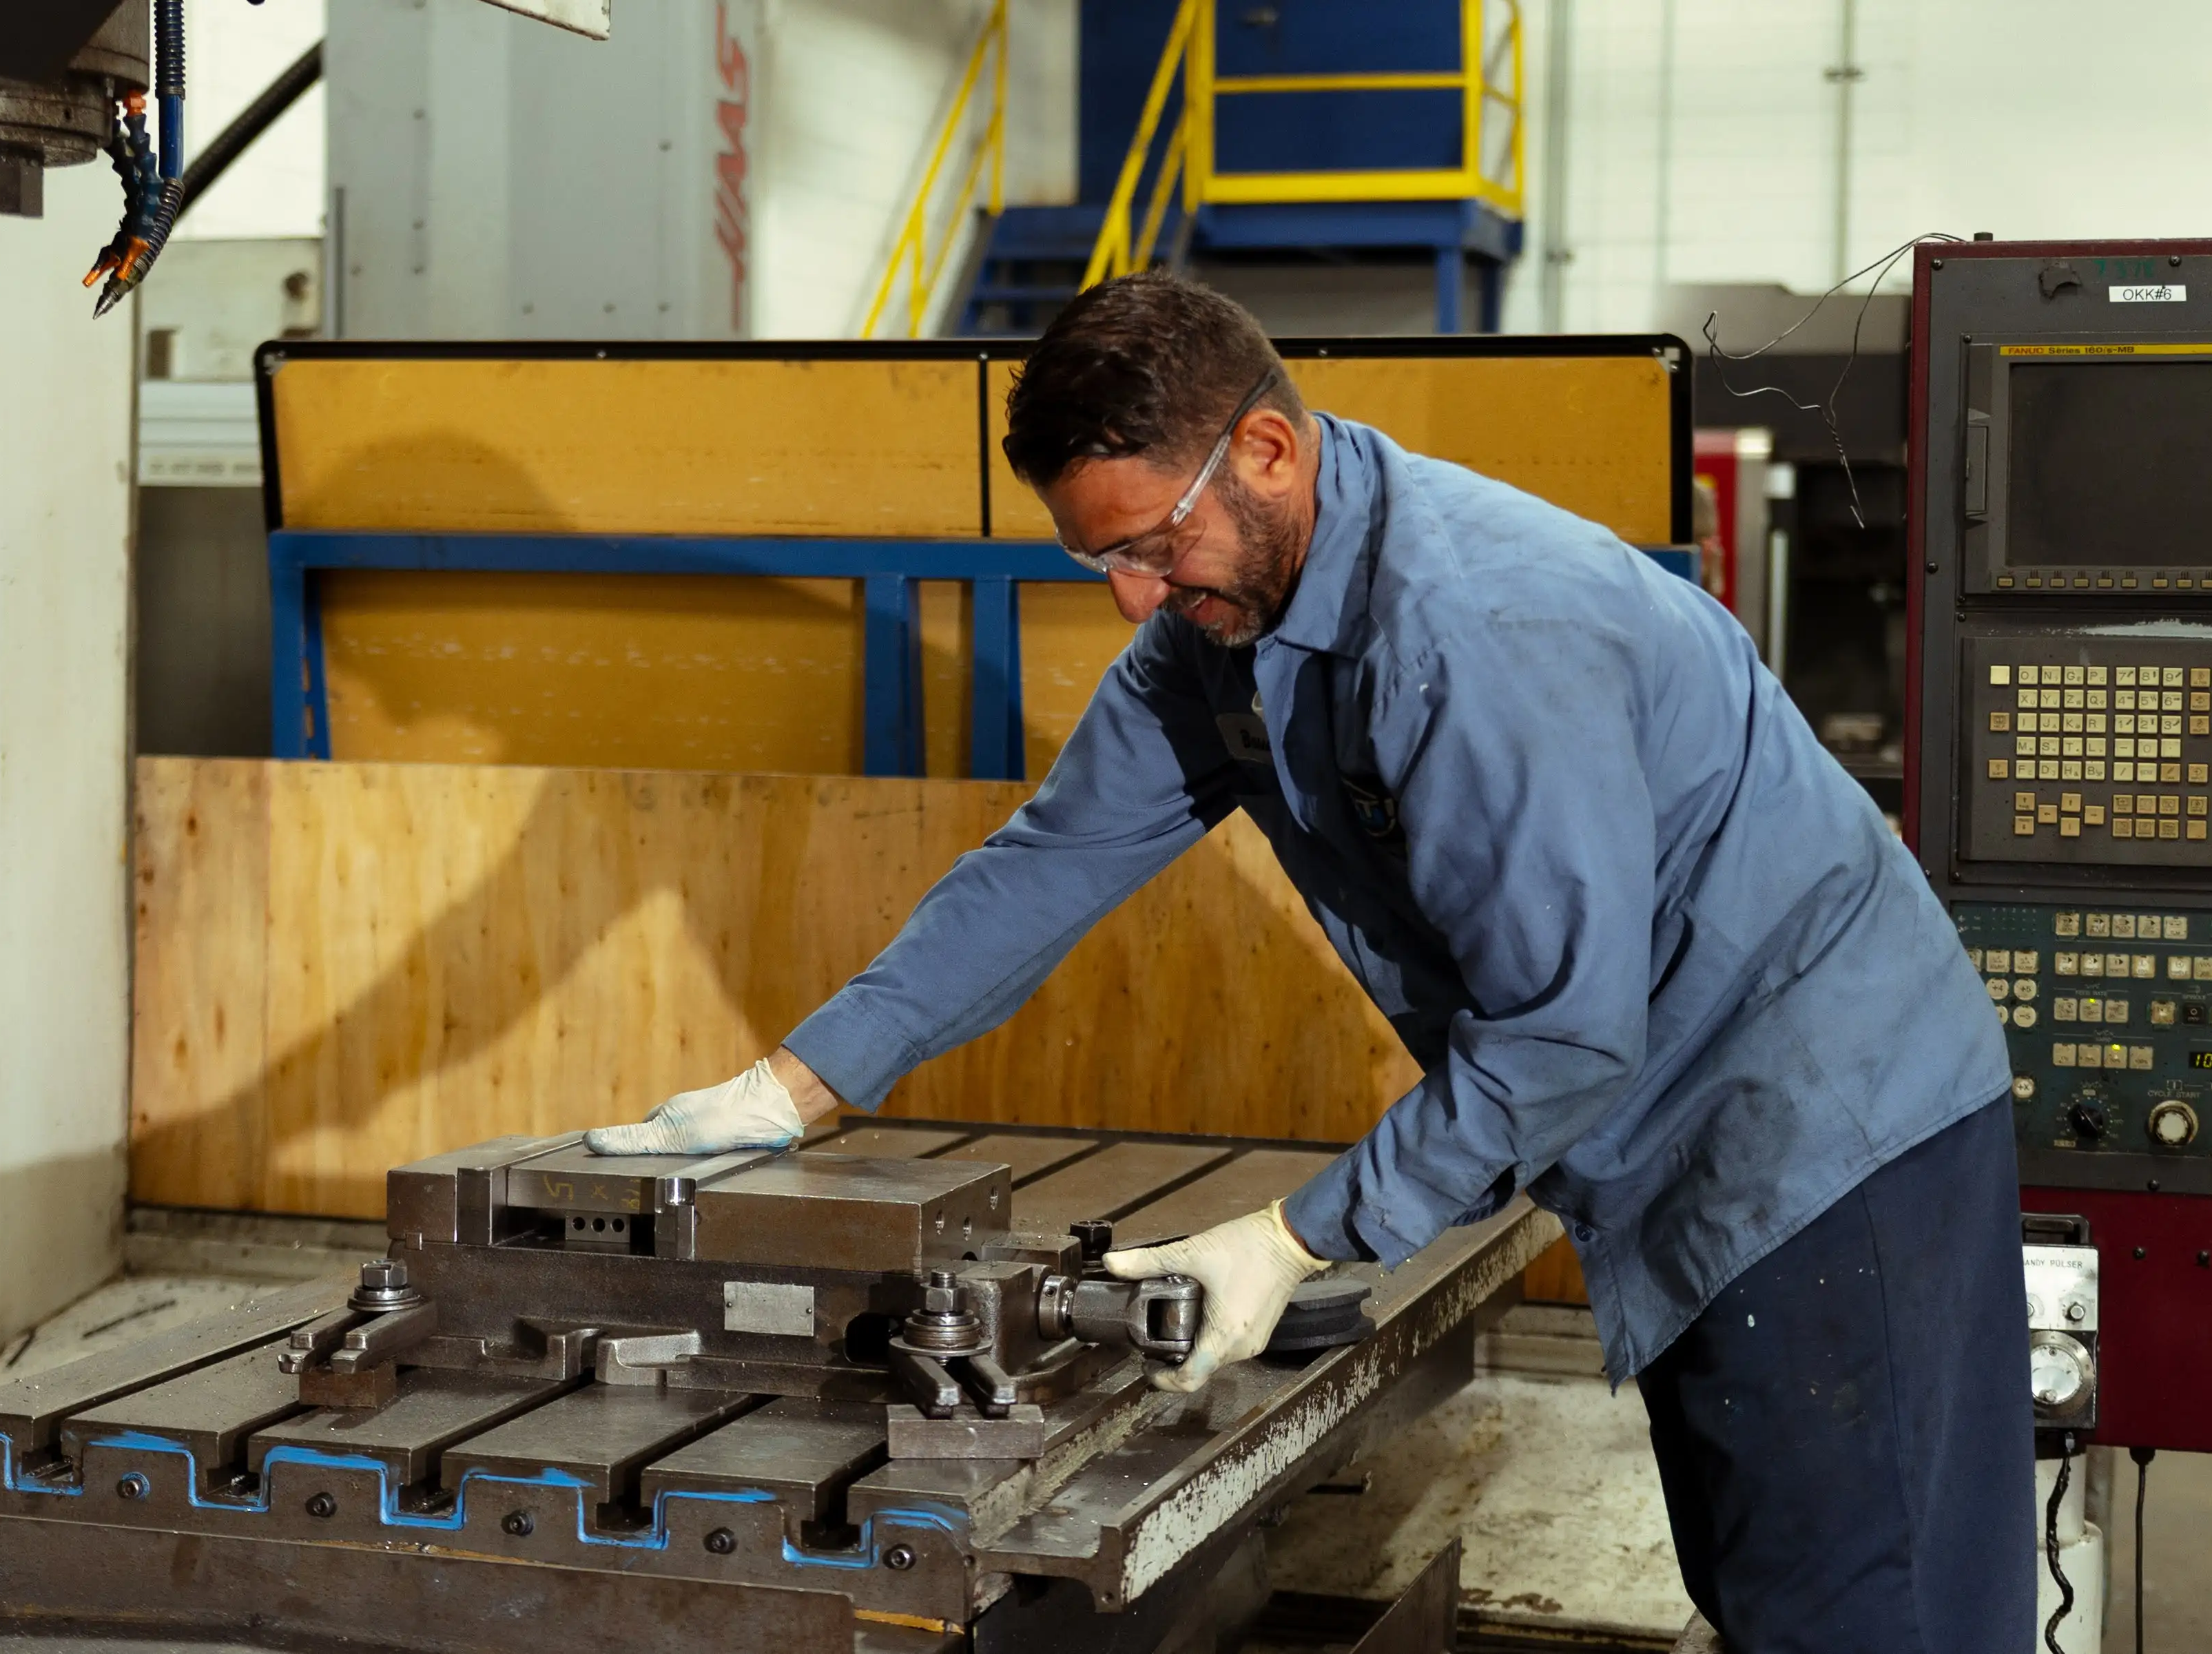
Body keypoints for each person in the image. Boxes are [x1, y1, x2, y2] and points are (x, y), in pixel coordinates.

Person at [586, 272, 2032, 1650]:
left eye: (1152, 544)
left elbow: (1564, 1036)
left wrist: (1297, 1238)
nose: (1134, 599)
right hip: (1676, 1133)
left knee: (1858, 1611)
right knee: (1766, 1579)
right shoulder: (1224, 628)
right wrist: (792, 1085)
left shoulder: (1476, 635)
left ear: (1266, 449)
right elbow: (1052, 858)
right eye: (1101, 559)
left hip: (1827, 1136)